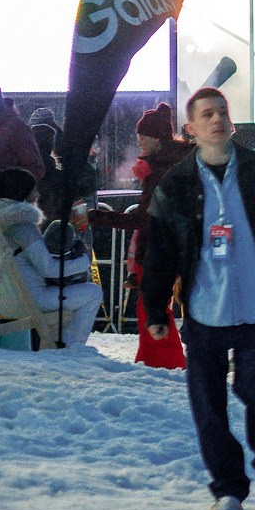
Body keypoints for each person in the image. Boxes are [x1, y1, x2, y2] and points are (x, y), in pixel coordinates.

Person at [141, 88, 255, 510]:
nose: (217, 119)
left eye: (222, 112)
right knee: (207, 404)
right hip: (204, 310)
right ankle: (228, 490)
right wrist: (156, 304)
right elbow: (159, 248)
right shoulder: (178, 184)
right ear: (191, 129)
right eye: (207, 114)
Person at [92, 104, 193, 368]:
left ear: (156, 138)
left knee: (151, 307)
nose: (139, 144)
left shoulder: (159, 170)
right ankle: (156, 358)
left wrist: (97, 217)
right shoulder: (170, 162)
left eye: (142, 138)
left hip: (163, 245)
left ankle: (166, 360)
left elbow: (144, 219)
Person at [0, 165, 106, 347]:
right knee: (92, 292)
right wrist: (84, 261)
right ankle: (70, 346)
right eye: (34, 190)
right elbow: (49, 269)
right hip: (28, 299)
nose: (37, 194)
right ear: (23, 192)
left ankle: (58, 344)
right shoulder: (22, 225)